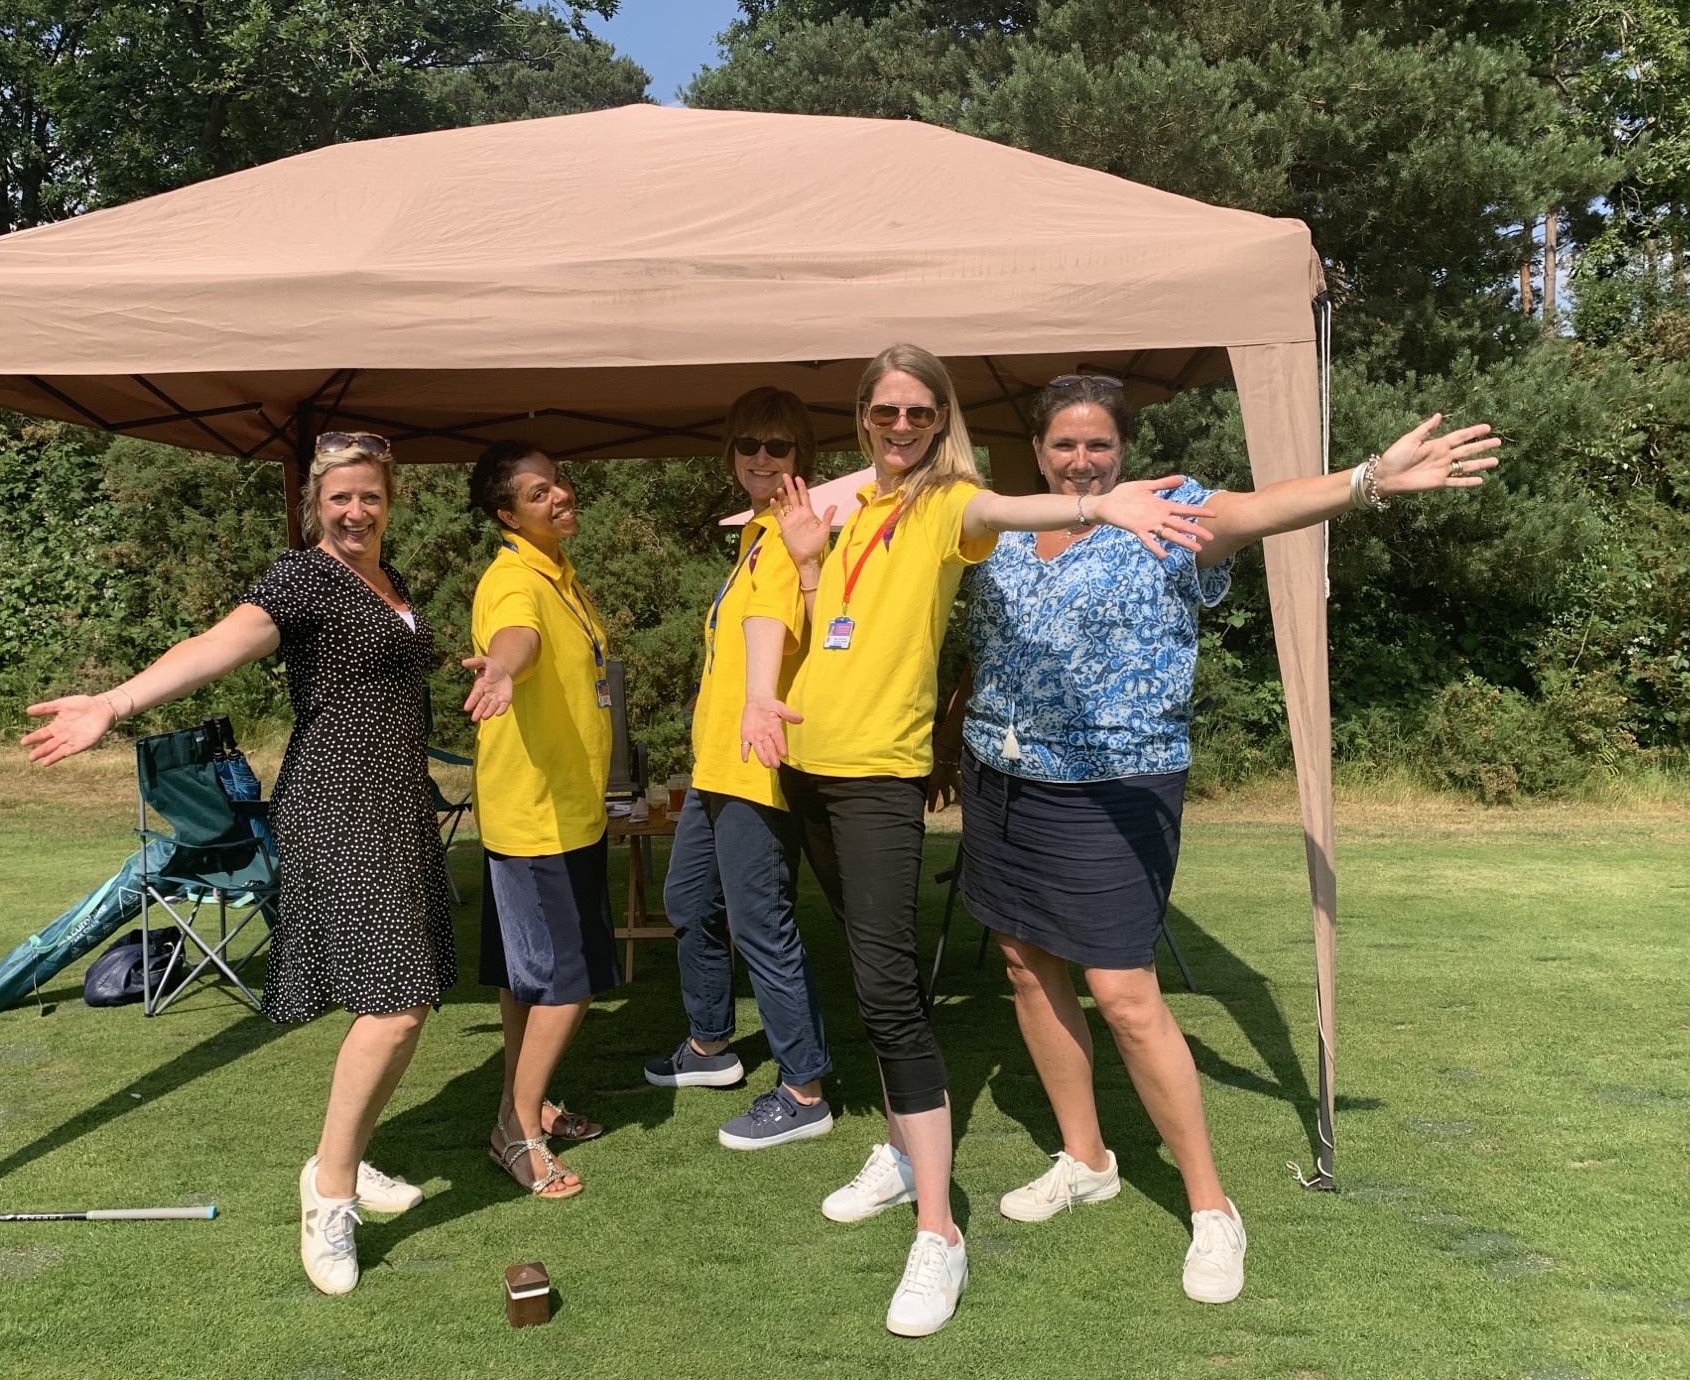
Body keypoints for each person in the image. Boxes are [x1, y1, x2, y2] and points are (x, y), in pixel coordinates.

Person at [944, 374, 1500, 1304]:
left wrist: (1368, 478)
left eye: (1099, 445)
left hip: (1118, 784)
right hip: (1000, 778)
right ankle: (1087, 1159)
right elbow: (982, 640)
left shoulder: (1172, 511)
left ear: (1125, 446)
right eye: (1064, 446)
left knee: (1123, 993)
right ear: (1037, 451)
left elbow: (1266, 509)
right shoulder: (1000, 528)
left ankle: (1212, 1207)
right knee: (1022, 963)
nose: (1082, 459)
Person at [754, 343, 1217, 1338]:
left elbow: (1003, 508)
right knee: (979, 969)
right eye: (882, 413)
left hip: (919, 770)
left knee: (905, 986)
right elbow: (828, 619)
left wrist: (1360, 483)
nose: (899, 426)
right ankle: (926, 1151)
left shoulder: (951, 502)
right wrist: (799, 561)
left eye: (917, 412)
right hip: (858, 766)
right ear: (864, 417)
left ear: (942, 419)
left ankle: (944, 1230)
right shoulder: (861, 511)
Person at [21, 431, 458, 1297]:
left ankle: (350, 1158)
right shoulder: (304, 577)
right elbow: (223, 641)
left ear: (390, 501)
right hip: (339, 806)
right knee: (398, 1005)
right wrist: (115, 700)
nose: (355, 510)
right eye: (339, 497)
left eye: (370, 495)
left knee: (402, 997)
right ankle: (329, 1192)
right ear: (315, 506)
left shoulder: (389, 583)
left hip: (394, 801)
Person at [643, 387, 835, 1151]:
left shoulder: (791, 535)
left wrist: (760, 699)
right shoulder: (756, 533)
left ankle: (805, 1086)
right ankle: (710, 1045)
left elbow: (774, 620)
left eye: (778, 447)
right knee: (688, 898)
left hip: (757, 762)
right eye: (748, 445)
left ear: (803, 459)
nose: (761, 458)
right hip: (718, 763)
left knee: (763, 923)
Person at [462, 440, 621, 1200]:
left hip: (568, 809)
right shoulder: (512, 579)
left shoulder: (559, 572)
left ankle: (524, 1104)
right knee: (566, 982)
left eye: (557, 482)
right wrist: (501, 665)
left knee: (529, 979)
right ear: (506, 515)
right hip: (535, 817)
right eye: (535, 493)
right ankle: (518, 1134)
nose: (557, 496)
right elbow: (515, 637)